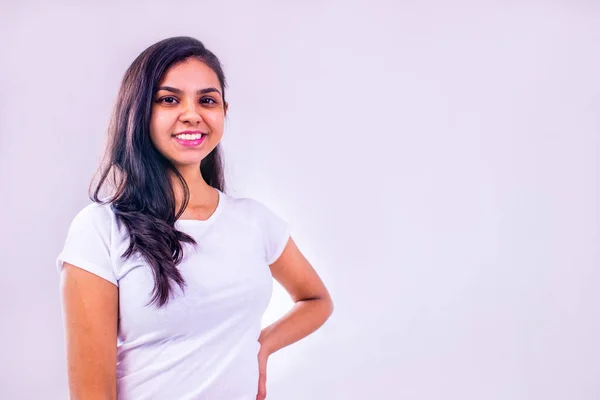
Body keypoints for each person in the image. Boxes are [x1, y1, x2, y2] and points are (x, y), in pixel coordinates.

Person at [56, 36, 333, 400]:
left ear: (223, 111)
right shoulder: (100, 229)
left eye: (207, 100)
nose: (192, 113)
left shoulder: (254, 221)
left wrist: (261, 347)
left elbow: (316, 300)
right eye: (169, 99)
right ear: (139, 112)